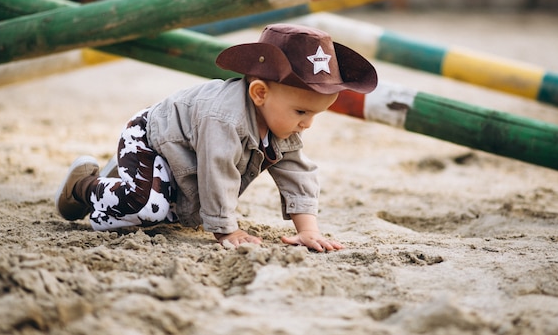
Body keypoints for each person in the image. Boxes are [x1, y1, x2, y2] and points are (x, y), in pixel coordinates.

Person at [55, 23, 377, 251]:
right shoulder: (224, 118)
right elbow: (216, 169)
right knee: (145, 207)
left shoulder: (281, 123)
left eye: (315, 115)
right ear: (260, 93)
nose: (307, 124)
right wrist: (226, 230)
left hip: (182, 160)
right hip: (150, 139)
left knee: (169, 214)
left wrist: (308, 230)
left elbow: (297, 173)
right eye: (302, 113)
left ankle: (130, 181)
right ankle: (84, 185)